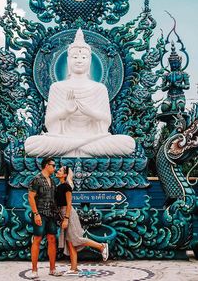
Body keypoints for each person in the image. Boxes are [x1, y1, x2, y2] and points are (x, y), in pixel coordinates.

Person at [25, 28, 135, 157]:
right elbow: (49, 122)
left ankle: (74, 148)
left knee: (128, 143)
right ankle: (82, 148)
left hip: (93, 139)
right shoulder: (57, 87)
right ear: (68, 60)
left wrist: (91, 112)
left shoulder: (99, 88)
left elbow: (106, 121)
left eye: (83, 57)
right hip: (63, 140)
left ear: (89, 61)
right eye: (75, 57)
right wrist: (66, 111)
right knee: (31, 144)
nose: (79, 60)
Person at [55, 165, 109, 275]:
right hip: (63, 214)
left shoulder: (66, 186)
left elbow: (69, 203)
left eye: (60, 170)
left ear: (65, 174)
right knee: (70, 243)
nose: (57, 171)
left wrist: (66, 218)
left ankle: (101, 246)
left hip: (68, 214)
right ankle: (74, 268)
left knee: (76, 239)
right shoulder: (59, 186)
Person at [28, 157, 62, 278]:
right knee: (37, 239)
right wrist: (36, 214)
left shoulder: (52, 181)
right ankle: (34, 270)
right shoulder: (36, 179)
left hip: (51, 214)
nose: (54, 168)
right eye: (53, 165)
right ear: (46, 165)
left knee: (52, 239)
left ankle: (52, 269)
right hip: (40, 213)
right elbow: (31, 197)